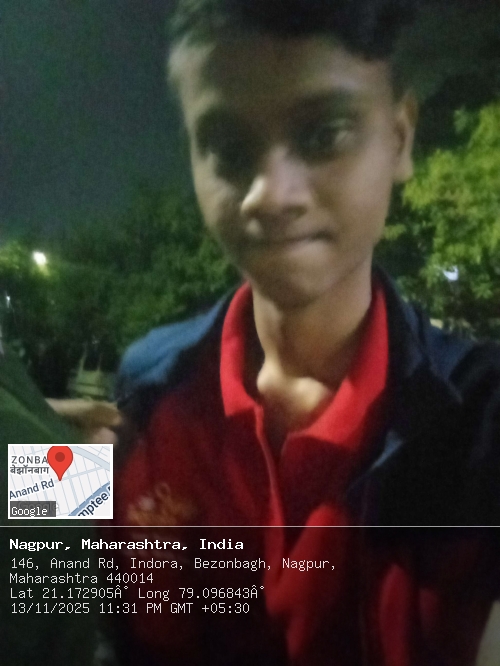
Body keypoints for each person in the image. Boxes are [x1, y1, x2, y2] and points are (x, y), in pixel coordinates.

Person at [105, 1, 500, 664]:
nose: (271, 193)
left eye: (324, 134)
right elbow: (75, 608)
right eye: (228, 147)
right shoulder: (145, 388)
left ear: (400, 139)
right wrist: (30, 458)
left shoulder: (481, 421)